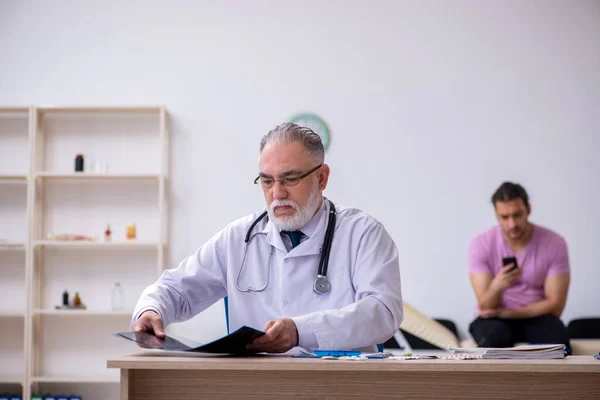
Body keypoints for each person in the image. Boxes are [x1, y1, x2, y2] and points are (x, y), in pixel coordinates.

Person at [132, 122, 403, 353]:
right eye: (267, 181)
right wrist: (152, 309)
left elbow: (383, 312)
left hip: (341, 386)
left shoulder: (363, 234)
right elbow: (178, 288)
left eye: (290, 179)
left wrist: (301, 331)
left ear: (322, 177)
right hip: (260, 386)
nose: (277, 193)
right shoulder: (239, 239)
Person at [468, 182, 571, 351]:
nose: (512, 224)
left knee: (557, 343)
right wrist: (497, 286)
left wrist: (509, 313)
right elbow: (485, 306)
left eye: (517, 215)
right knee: (493, 337)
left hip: (539, 316)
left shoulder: (554, 243)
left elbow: (556, 305)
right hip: (494, 319)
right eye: (505, 217)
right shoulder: (480, 244)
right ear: (496, 214)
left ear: (528, 210)